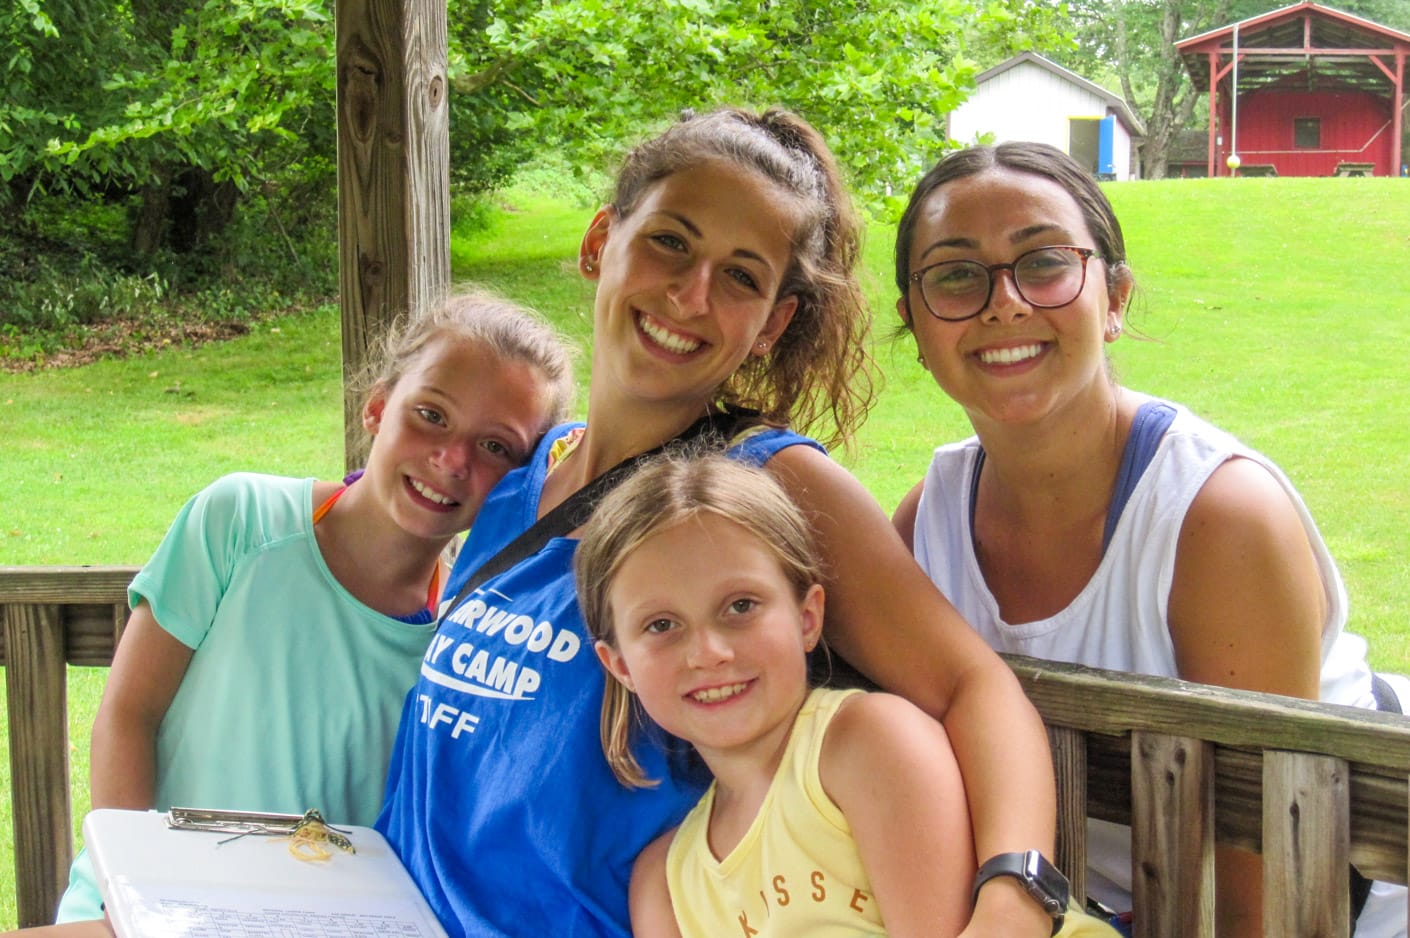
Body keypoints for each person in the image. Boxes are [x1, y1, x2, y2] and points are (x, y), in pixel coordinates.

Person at [375, 107, 1065, 938]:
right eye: (670, 242)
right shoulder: (525, 467)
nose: (691, 294)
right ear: (601, 244)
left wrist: (1015, 896)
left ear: (772, 323)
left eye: (741, 276)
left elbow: (971, 687)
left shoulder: (761, 481)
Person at [890, 140, 1406, 938]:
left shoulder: (1218, 516)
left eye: (1045, 263)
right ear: (915, 327)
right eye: (956, 275)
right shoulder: (923, 528)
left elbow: (1265, 895)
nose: (1005, 304)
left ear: (1117, 297)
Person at [43, 291, 575, 933]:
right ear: (378, 407)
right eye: (430, 414)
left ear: (523, 481)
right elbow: (129, 716)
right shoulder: (240, 522)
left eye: (496, 447)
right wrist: (130, 900)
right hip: (133, 909)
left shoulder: (465, 646)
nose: (452, 459)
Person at [577, 453, 1122, 938]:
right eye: (662, 624)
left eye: (741, 606)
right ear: (620, 664)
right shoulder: (665, 887)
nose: (709, 652)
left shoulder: (867, 747)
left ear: (807, 617)